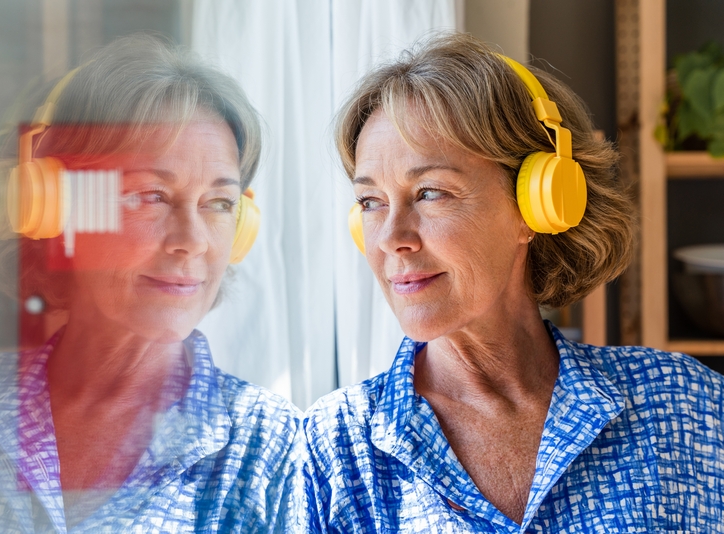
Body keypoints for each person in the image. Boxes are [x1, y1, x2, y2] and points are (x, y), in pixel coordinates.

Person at [304, 32, 724, 533]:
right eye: (371, 202)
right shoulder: (333, 448)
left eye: (431, 193)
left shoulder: (685, 406)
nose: (392, 237)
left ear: (538, 204)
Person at [0, 35, 303, 533]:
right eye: (149, 196)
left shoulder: (280, 452)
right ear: (54, 212)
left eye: (218, 204)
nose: (191, 242)